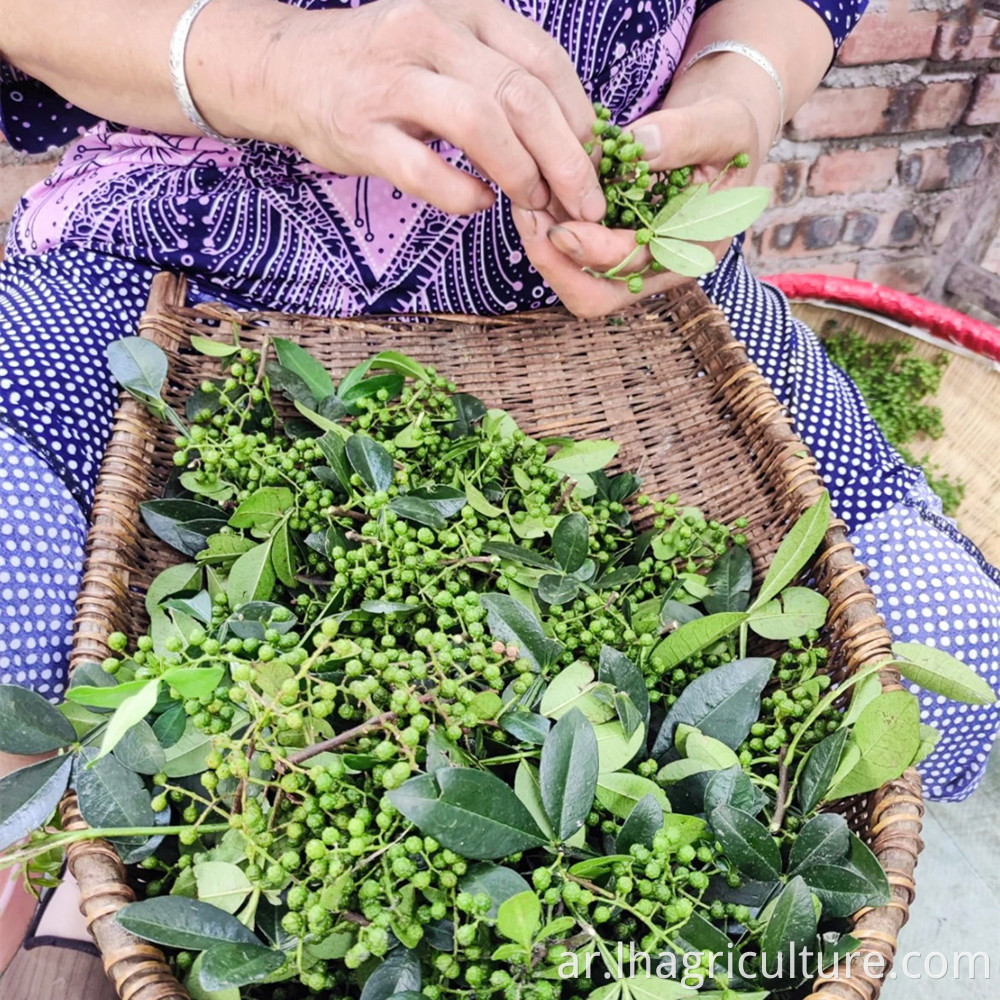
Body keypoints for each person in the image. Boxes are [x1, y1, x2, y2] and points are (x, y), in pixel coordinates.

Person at [0, 0, 997, 986]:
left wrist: (739, 79)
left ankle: (153, 857)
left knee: (951, 660)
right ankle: (108, 866)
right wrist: (266, 63)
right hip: (179, 256)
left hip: (622, 285)